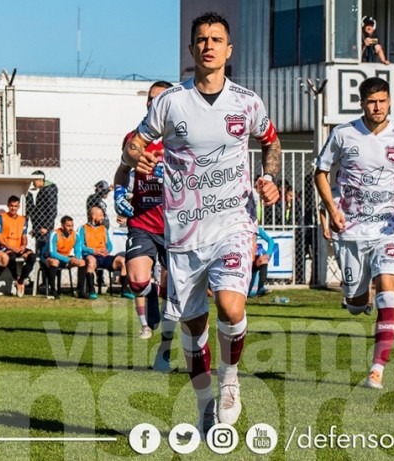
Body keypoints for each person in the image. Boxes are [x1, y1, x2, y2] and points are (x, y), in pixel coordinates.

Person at [124, 12, 282, 431]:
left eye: (216, 39)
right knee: (194, 327)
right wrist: (134, 156)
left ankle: (230, 380)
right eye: (201, 39)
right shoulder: (170, 101)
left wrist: (268, 177)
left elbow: (272, 141)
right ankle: (203, 405)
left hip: (234, 224)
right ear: (191, 49)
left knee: (230, 307)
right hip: (184, 232)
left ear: (229, 51)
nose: (208, 45)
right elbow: (134, 143)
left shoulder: (248, 101)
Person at [315, 76, 394, 390]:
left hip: (388, 229)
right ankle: (356, 300)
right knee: (355, 302)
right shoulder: (342, 134)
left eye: (382, 101)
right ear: (362, 103)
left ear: (390, 100)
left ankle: (376, 370)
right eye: (371, 102)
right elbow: (320, 173)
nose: (377, 107)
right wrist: (332, 209)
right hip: (350, 230)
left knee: (387, 292)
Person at [113, 80, 174, 344]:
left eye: (160, 99)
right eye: (151, 98)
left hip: (175, 225)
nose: (153, 103)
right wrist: (118, 194)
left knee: (171, 290)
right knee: (137, 281)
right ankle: (147, 299)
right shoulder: (133, 139)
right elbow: (122, 171)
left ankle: (168, 337)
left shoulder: (182, 140)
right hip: (142, 222)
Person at [78, 206, 130, 299]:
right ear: (94, 216)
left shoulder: (103, 229)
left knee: (122, 261)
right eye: (101, 215)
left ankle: (124, 290)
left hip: (104, 256)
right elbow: (80, 246)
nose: (103, 218)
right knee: (91, 261)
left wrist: (107, 250)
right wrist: (93, 251)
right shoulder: (83, 229)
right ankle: (91, 291)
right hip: (92, 256)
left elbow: (109, 245)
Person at [0, 195, 38, 297]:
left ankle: (21, 280)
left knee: (32, 257)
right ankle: (16, 278)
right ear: (8, 205)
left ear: (18, 206)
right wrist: (10, 246)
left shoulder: (23, 219)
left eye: (15, 206)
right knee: (11, 256)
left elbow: (24, 236)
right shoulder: (1, 218)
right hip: (6, 247)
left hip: (18, 247)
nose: (13, 208)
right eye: (11, 206)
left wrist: (23, 245)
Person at [43, 215, 87, 299]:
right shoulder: (54, 233)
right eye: (68, 226)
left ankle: (80, 291)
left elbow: (78, 250)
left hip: (64, 258)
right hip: (48, 257)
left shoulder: (75, 235)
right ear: (62, 226)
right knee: (54, 261)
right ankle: (52, 290)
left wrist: (76, 259)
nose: (71, 228)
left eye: (72, 226)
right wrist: (68, 259)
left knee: (82, 262)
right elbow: (52, 253)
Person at [25, 170, 58, 258]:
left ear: (40, 180)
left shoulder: (48, 191)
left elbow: (52, 210)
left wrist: (46, 227)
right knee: (40, 251)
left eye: (34, 181)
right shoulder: (44, 190)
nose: (33, 184)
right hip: (41, 226)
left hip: (44, 228)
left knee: (44, 252)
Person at [248, 226, 276, 298]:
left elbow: (271, 241)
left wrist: (268, 254)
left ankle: (260, 289)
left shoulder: (255, 228)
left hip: (251, 260)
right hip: (241, 260)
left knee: (263, 260)